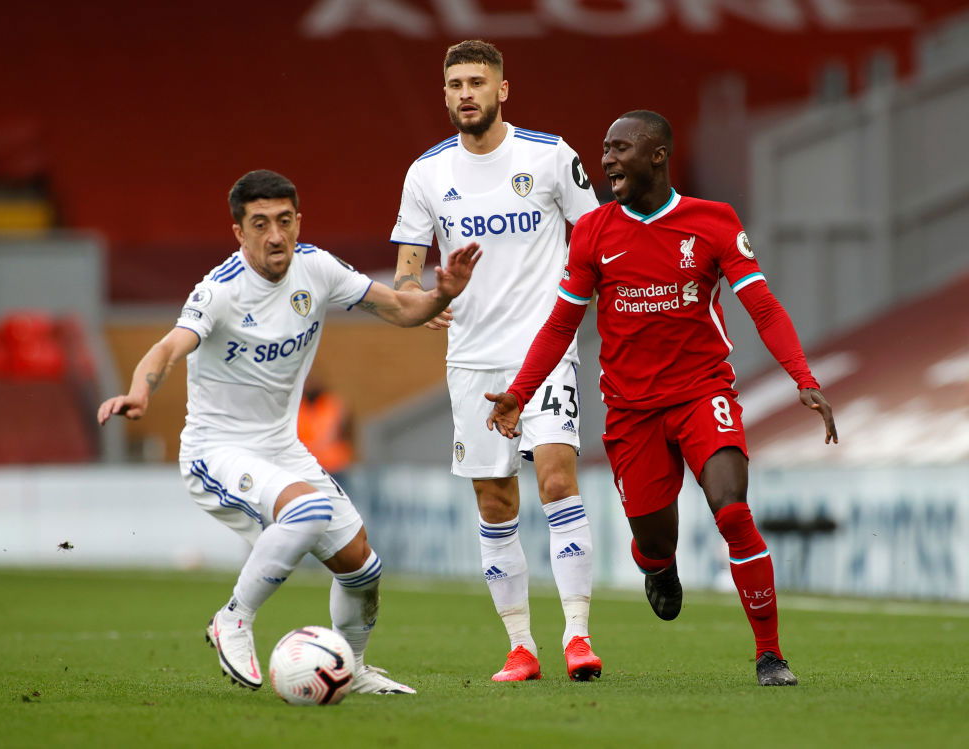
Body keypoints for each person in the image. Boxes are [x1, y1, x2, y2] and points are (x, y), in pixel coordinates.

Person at [486, 111, 838, 687]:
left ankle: (770, 655)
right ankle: (658, 564)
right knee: (654, 539)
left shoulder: (713, 222)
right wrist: (520, 394)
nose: (607, 160)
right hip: (631, 410)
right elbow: (559, 325)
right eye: (604, 149)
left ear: (657, 155)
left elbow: (763, 306)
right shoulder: (595, 231)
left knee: (733, 511)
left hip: (703, 392)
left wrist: (803, 377)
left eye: (620, 149)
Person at [99, 169, 481, 695]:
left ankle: (353, 665)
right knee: (308, 510)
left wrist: (443, 294)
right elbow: (167, 348)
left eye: (283, 221)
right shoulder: (219, 291)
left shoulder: (317, 269)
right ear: (238, 231)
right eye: (259, 224)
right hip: (218, 450)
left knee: (362, 565)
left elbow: (398, 307)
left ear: (298, 221)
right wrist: (141, 390)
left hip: (282, 449)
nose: (274, 235)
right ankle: (233, 618)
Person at [391, 39, 603, 683]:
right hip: (473, 361)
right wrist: (433, 300)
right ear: (445, 93)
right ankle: (521, 647)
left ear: (502, 89)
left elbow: (596, 240)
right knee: (494, 501)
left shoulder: (549, 155)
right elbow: (404, 282)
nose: (465, 94)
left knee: (559, 479)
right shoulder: (427, 173)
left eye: (477, 82)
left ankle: (577, 636)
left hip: (544, 351)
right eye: (455, 83)